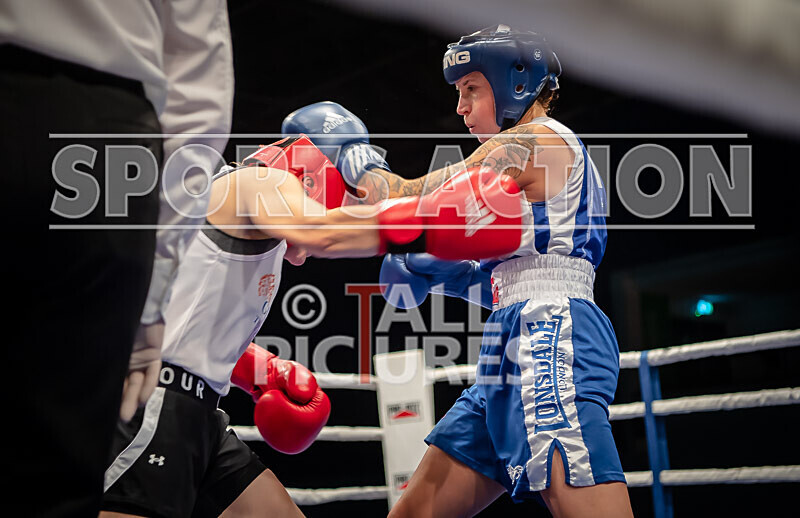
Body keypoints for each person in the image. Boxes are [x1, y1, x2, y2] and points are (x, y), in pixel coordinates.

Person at [282, 24, 634, 518]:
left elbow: (412, 198)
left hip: (550, 336)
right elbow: (518, 280)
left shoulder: (536, 140)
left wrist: (352, 155)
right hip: (516, 336)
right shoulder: (536, 174)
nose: (460, 107)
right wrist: (447, 275)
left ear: (514, 83)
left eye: (471, 89)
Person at [100, 135, 526, 517]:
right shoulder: (259, 182)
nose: (336, 217)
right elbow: (318, 232)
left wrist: (262, 371)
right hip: (156, 406)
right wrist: (434, 222)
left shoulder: (240, 220)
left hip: (198, 412)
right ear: (310, 179)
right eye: (336, 205)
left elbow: (188, 315)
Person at [0, 2, 233, 516]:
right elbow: (200, 96)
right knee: (51, 474)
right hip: (100, 132)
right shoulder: (271, 188)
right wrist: (149, 302)